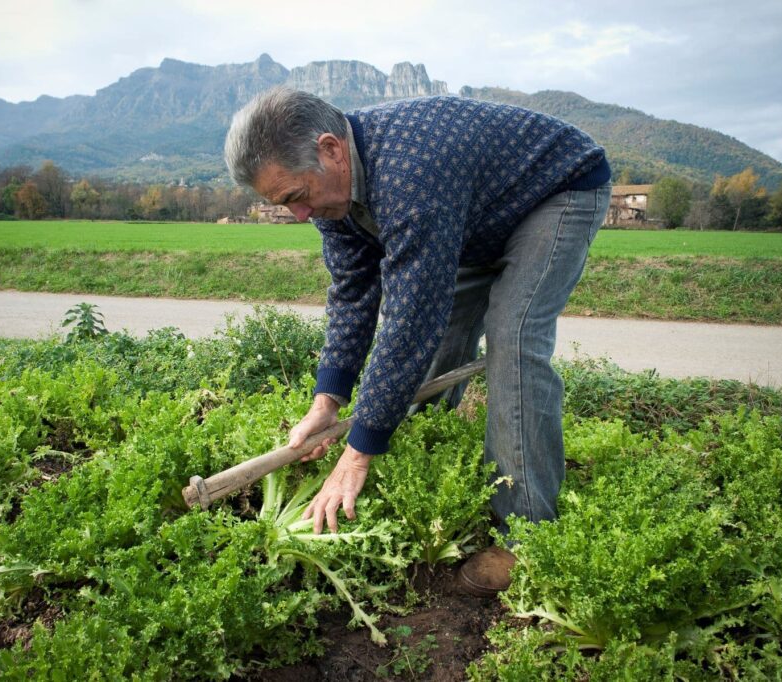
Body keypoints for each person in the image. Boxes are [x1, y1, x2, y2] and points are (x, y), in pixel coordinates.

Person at [224, 87, 611, 596]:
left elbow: (409, 324)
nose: (299, 215)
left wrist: (356, 454)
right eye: (285, 204)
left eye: (296, 196)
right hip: (476, 214)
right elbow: (353, 294)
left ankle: (527, 534)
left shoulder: (411, 172)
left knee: (512, 337)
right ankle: (424, 459)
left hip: (554, 193)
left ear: (331, 150)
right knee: (443, 335)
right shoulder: (333, 198)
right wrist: (328, 400)